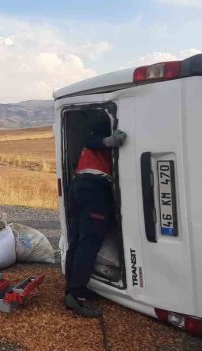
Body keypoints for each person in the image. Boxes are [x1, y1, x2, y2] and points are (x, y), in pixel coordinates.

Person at [64, 117, 126, 318]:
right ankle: (77, 294)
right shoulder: (99, 134)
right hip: (94, 189)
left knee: (77, 241)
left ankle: (71, 289)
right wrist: (109, 141)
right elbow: (91, 140)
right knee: (88, 242)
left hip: (78, 187)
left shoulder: (94, 141)